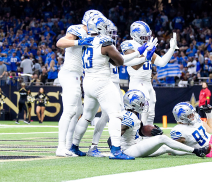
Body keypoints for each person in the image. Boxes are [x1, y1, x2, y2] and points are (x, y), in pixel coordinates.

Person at [70, 16, 155, 160]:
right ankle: (116, 150)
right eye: (105, 27)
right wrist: (141, 52)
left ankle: (74, 146)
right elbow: (121, 61)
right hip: (102, 82)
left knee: (86, 117)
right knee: (116, 115)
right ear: (100, 28)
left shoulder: (86, 41)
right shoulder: (105, 43)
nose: (108, 31)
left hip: (88, 82)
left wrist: (141, 56)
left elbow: (114, 61)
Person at [110, 89, 210, 158]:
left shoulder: (132, 116)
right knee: (162, 139)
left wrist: (151, 131)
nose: (143, 105)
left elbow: (139, 131)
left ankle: (197, 151)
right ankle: (197, 151)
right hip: (129, 150)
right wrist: (116, 151)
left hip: (135, 146)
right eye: (141, 103)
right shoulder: (130, 116)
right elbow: (114, 136)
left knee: (166, 148)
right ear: (134, 104)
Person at [55, 10, 100, 157]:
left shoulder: (93, 34)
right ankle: (61, 147)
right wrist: (78, 41)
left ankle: (68, 147)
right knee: (69, 111)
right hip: (69, 73)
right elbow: (60, 42)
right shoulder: (78, 30)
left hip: (76, 75)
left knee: (77, 111)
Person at [121, 21, 178, 125]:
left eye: (147, 37)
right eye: (143, 37)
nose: (146, 39)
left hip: (147, 83)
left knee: (151, 113)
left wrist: (172, 49)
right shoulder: (129, 44)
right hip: (137, 82)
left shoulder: (147, 46)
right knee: (144, 109)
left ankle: (147, 134)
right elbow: (135, 66)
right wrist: (147, 54)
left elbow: (162, 62)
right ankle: (139, 132)